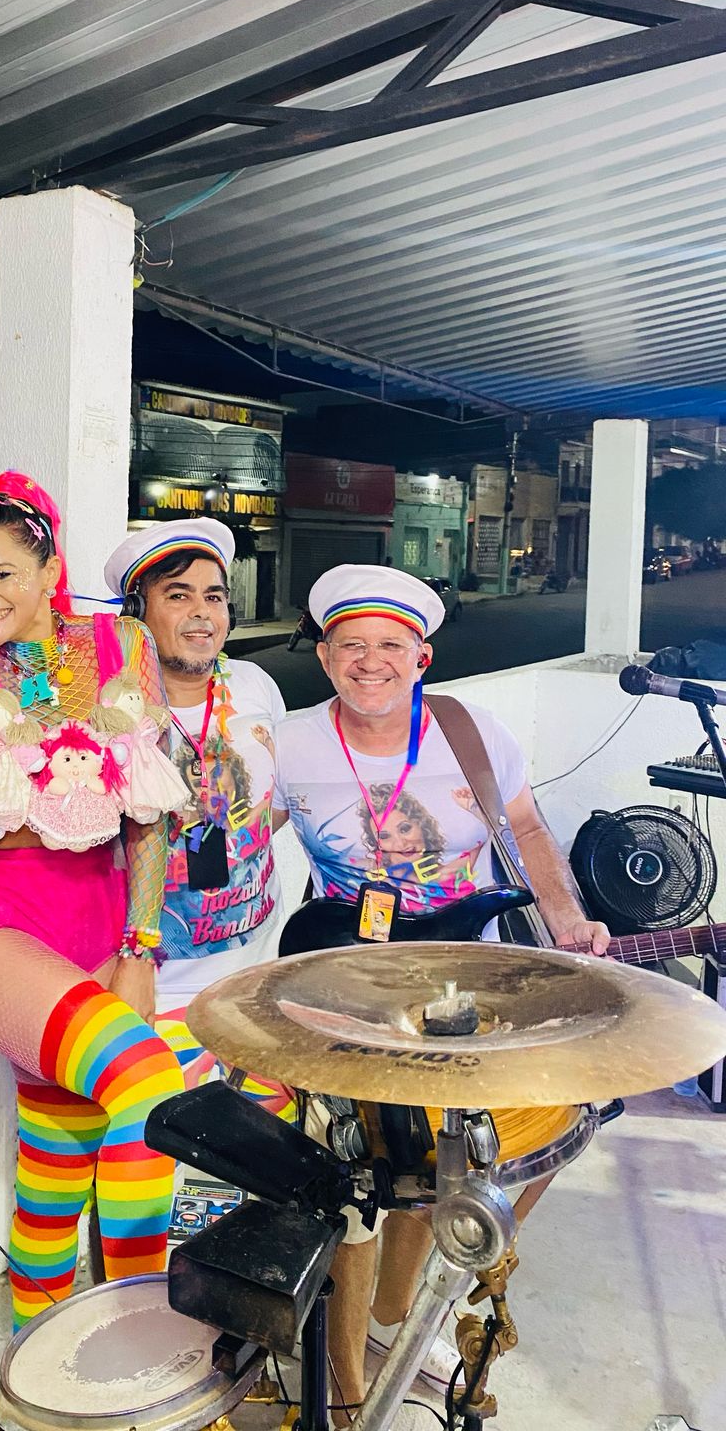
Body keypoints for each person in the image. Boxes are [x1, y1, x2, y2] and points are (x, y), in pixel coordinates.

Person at [272, 564, 609, 1422]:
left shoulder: (472, 733)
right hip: (344, 997)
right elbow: (234, 841)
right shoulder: (289, 745)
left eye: (391, 645)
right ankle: (350, 1393)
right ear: (324, 657)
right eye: (351, 645)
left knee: (443, 1170)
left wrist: (567, 918)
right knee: (353, 1191)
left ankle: (395, 1323)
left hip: (464, 1001)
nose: (371, 661)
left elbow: (525, 828)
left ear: (422, 657)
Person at [0, 473, 186, 1331]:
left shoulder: (121, 642)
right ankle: (144, 1345)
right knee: (147, 1084)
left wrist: (139, 946)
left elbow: (150, 809)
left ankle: (25, 1381)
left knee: (55, 1169)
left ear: (51, 572)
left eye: (2, 574)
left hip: (94, 922)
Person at [101, 520, 291, 1108]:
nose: (201, 613)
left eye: (214, 596)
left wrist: (227, 838)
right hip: (150, 988)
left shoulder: (255, 686)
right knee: (160, 1149)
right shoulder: (108, 708)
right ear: (137, 613)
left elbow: (275, 802)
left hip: (256, 981)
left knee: (266, 1149)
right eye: (178, 595)